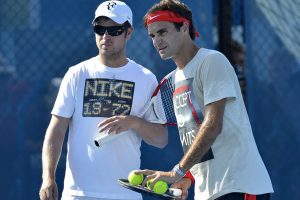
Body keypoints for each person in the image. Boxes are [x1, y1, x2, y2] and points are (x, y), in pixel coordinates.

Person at [135, 0, 273, 200]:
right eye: (152, 35)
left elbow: (212, 125)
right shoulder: (175, 80)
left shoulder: (211, 61)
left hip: (239, 185)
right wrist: (188, 176)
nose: (157, 41)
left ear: (184, 27)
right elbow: (196, 136)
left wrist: (177, 172)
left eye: (162, 32)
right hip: (208, 191)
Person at [39, 1, 168, 200]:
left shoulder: (146, 78)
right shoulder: (76, 74)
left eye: (114, 30)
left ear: (128, 32)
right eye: (100, 29)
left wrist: (133, 122)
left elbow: (161, 139)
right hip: (78, 194)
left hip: (125, 195)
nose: (105, 36)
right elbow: (56, 129)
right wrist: (48, 177)